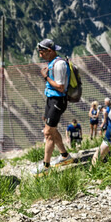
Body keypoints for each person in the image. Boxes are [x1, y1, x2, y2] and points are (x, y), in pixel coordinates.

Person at [36, 38, 75, 171]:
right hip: (51, 99)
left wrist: (45, 77)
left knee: (48, 133)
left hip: (58, 101)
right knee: (51, 129)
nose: (40, 55)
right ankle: (65, 155)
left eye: (42, 52)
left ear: (49, 51)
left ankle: (45, 166)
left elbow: (60, 87)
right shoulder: (52, 62)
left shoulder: (59, 65)